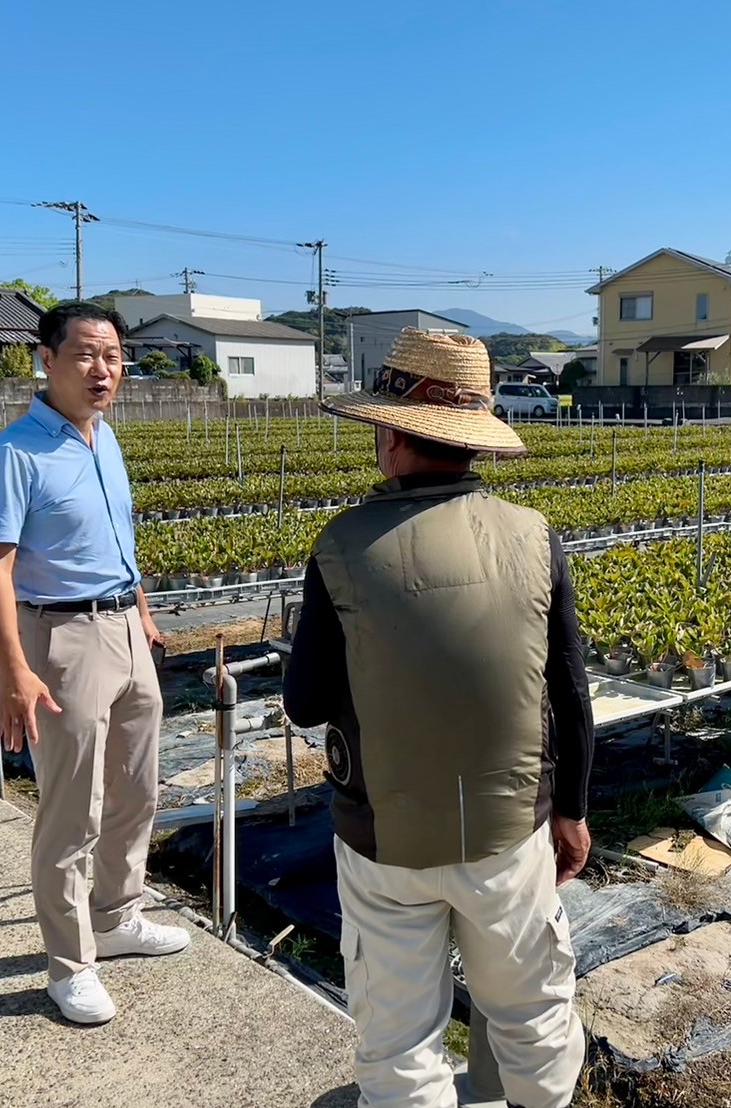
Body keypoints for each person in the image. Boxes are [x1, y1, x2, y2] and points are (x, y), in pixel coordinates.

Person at [285, 328, 595, 1108]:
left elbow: (305, 701)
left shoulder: (343, 546)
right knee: (531, 1013)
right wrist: (573, 811)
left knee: (398, 1039)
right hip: (512, 831)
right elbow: (569, 691)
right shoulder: (534, 536)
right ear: (471, 442)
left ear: (393, 435)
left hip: (384, 839)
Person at [0, 301, 189, 1025]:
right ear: (47, 359)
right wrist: (15, 671)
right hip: (60, 640)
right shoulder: (15, 453)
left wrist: (144, 612)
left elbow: (118, 535)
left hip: (126, 628)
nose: (104, 371)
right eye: (87, 355)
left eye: (114, 357)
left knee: (136, 790)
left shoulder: (106, 440)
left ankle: (117, 917)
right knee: (72, 812)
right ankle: (69, 964)